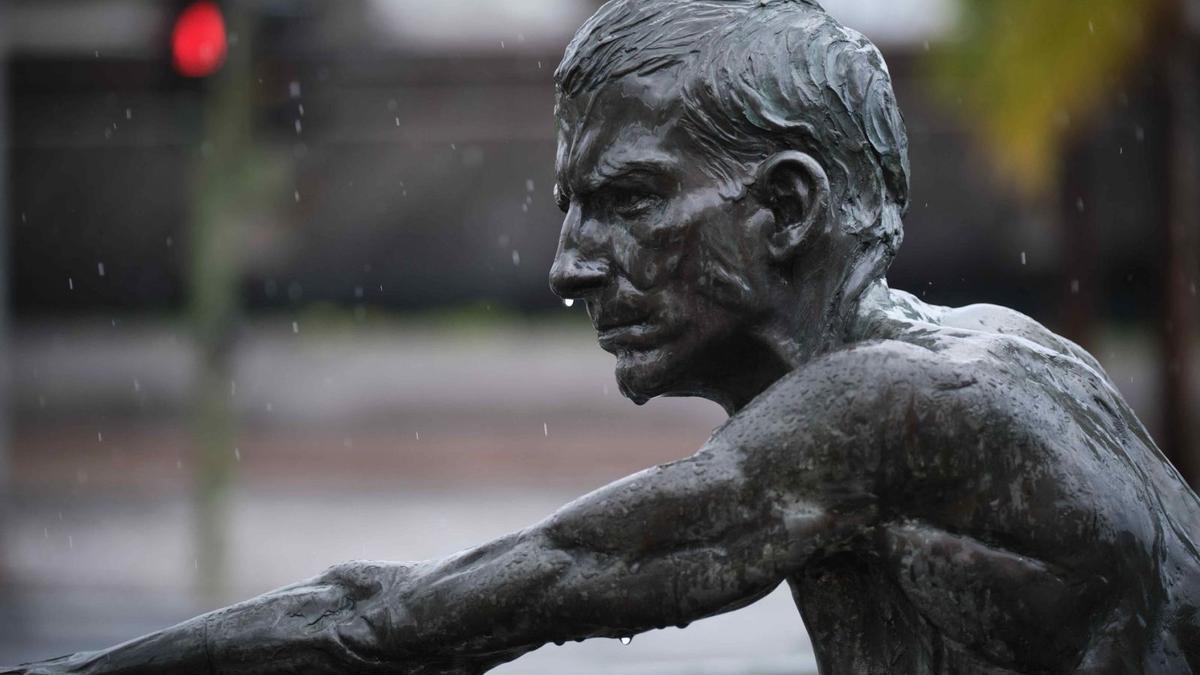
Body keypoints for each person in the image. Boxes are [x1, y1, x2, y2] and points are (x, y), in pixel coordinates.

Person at [8, 1, 1200, 673]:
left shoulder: (887, 413)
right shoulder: (1001, 350)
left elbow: (399, 627)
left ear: (785, 208)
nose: (570, 266)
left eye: (626, 203)